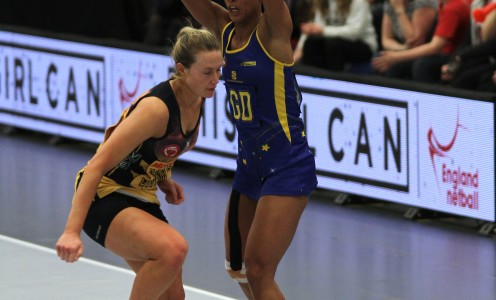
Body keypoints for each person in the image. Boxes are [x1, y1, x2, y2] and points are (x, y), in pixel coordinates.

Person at [55, 26, 223, 300]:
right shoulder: (156, 109)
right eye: (207, 72)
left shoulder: (197, 99)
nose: (215, 79)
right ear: (182, 69)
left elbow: (153, 151)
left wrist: (162, 178)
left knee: (172, 297)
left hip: (141, 195)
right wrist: (71, 232)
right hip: (105, 194)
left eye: (219, 70)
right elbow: (97, 164)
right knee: (173, 249)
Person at [181, 1, 318, 299]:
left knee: (258, 270)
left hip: (286, 166)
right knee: (238, 267)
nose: (232, 2)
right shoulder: (224, 29)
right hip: (249, 166)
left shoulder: (273, 31)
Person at [372, 0, 471, 84]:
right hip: (440, 52)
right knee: (381, 60)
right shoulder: (444, 4)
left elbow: (432, 46)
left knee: (419, 65)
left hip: (451, 55)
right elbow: (385, 39)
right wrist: (399, 52)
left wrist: (397, 57)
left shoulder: (452, 8)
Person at [293, 0, 378, 72]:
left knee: (333, 45)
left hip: (363, 45)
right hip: (332, 42)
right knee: (311, 43)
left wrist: (323, 30)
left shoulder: (358, 2)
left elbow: (354, 32)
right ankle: (309, 83)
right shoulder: (322, 2)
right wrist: (297, 53)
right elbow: (314, 29)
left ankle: (334, 84)